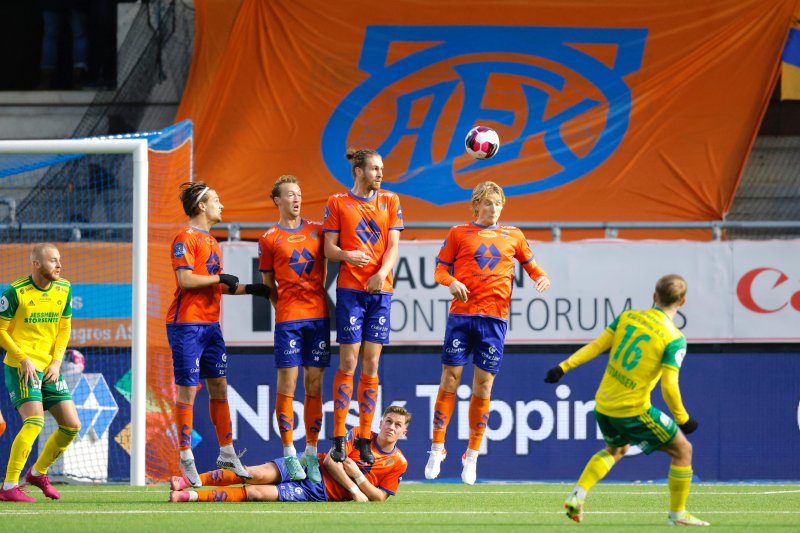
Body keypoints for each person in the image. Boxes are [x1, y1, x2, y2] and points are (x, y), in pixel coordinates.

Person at [543, 274, 709, 526]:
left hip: (604, 405)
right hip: (633, 411)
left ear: (654, 296)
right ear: (682, 302)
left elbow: (596, 346)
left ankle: (577, 496)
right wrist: (683, 418)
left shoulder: (627, 317)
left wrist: (563, 367)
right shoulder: (674, 338)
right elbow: (669, 385)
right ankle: (677, 515)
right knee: (683, 450)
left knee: (616, 450)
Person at [424, 181, 551, 485]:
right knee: (449, 380)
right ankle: (437, 448)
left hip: (495, 320)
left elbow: (533, 267)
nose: (494, 209)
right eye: (489, 203)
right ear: (477, 204)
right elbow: (439, 270)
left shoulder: (514, 236)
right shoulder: (458, 233)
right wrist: (451, 282)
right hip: (462, 317)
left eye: (498, 204)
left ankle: (472, 454)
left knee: (483, 387)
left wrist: (542, 277)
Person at [167, 181, 270, 487]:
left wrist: (251, 288)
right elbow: (186, 280)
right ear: (201, 206)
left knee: (220, 387)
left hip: (211, 326)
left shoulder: (212, 241)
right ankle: (186, 456)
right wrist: (218, 277)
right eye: (216, 200)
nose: (221, 205)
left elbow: (215, 284)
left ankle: (226, 450)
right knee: (187, 390)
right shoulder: (184, 238)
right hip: (186, 325)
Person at [322, 148, 403, 465]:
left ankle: (365, 437)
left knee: (371, 367)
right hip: (350, 292)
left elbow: (394, 245)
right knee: (348, 363)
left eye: (382, 168)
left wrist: (381, 275)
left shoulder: (391, 201)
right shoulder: (337, 202)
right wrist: (347, 256)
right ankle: (340, 436)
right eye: (374, 168)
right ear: (357, 171)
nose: (380, 173)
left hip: (380, 293)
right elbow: (329, 248)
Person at [168, 405, 410, 503]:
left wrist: (359, 479)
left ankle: (188, 496)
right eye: (388, 421)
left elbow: (380, 497)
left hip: (319, 492)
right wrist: (357, 486)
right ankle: (189, 480)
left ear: (404, 431)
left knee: (255, 492)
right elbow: (332, 462)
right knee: (252, 473)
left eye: (398, 425)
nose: (391, 427)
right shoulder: (359, 434)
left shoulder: (398, 463)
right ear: (380, 421)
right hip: (311, 466)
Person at [258, 175, 330, 483]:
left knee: (314, 387)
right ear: (277, 200)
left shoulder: (317, 230)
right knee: (287, 386)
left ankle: (310, 454)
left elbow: (331, 264)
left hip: (319, 319)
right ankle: (289, 453)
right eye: (290, 194)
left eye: (299, 194)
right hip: (288, 320)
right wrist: (286, 307)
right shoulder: (269, 238)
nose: (296, 199)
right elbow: (267, 285)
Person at [0, 243, 80, 502]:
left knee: (71, 426)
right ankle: (10, 486)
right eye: (53, 260)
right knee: (35, 421)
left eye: (60, 260)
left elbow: (64, 329)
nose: (59, 265)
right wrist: (22, 358)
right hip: (21, 366)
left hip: (49, 367)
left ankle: (37, 473)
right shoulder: (15, 292)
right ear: (36, 264)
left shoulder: (64, 288)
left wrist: (56, 363)